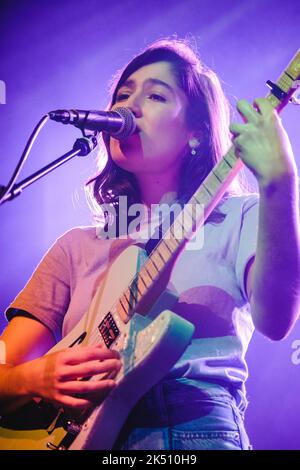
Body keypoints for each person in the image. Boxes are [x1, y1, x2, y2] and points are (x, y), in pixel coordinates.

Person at [0, 38, 299, 451]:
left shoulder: (241, 215)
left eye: (156, 95)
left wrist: (280, 184)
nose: (130, 104)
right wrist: (34, 378)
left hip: (197, 432)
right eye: (123, 95)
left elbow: (276, 320)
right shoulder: (75, 247)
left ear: (196, 131)